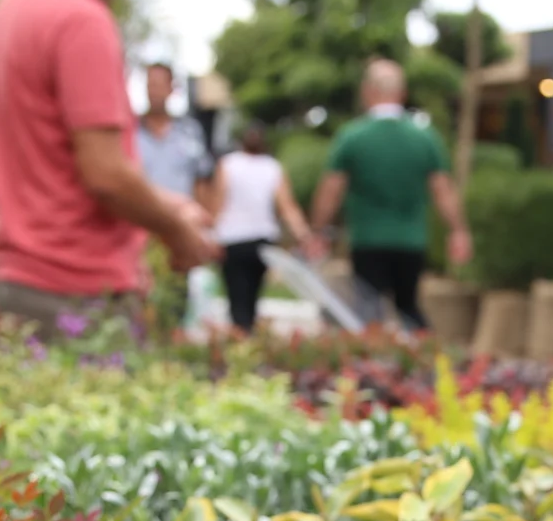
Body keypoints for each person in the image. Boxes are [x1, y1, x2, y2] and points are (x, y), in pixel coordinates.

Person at [0, 0, 216, 337]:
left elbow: (17, 163)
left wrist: (165, 209)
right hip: (74, 295)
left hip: (18, 282)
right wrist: (175, 229)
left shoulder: (12, 8)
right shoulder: (79, 19)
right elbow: (104, 174)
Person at [312, 60, 473, 330]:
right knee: (408, 306)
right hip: (411, 240)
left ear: (367, 91)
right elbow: (443, 189)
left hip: (368, 239)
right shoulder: (425, 138)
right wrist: (458, 230)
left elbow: (331, 191)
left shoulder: (352, 137)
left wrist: (318, 230)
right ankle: (426, 362)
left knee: (368, 309)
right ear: (403, 92)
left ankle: (369, 366)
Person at [211, 125, 322, 332]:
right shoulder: (272, 167)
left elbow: (218, 203)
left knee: (238, 295)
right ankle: (247, 334)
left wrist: (211, 234)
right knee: (251, 294)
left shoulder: (229, 164)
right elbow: (288, 206)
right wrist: (304, 234)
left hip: (233, 240)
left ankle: (241, 335)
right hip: (260, 240)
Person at [138, 63, 218, 219]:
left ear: (171, 88)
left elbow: (202, 179)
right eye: (150, 85)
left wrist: (205, 220)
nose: (154, 91)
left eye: (159, 85)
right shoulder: (131, 132)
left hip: (182, 224)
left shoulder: (190, 131)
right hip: (141, 224)